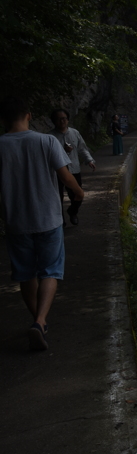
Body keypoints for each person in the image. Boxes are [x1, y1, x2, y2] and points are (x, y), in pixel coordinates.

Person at [0, 97, 84, 351]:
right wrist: (79, 194)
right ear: (28, 114)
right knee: (50, 271)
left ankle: (39, 322)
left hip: (16, 221)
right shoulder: (46, 141)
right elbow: (65, 175)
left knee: (26, 274)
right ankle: (40, 321)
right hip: (48, 218)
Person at [48, 109, 95, 226]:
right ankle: (60, 221)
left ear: (68, 120)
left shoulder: (75, 133)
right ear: (54, 121)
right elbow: (47, 155)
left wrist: (89, 160)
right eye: (58, 119)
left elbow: (82, 148)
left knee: (77, 194)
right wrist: (62, 151)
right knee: (57, 197)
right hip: (57, 171)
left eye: (64, 118)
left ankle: (72, 211)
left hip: (74, 169)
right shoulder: (49, 137)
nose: (62, 121)